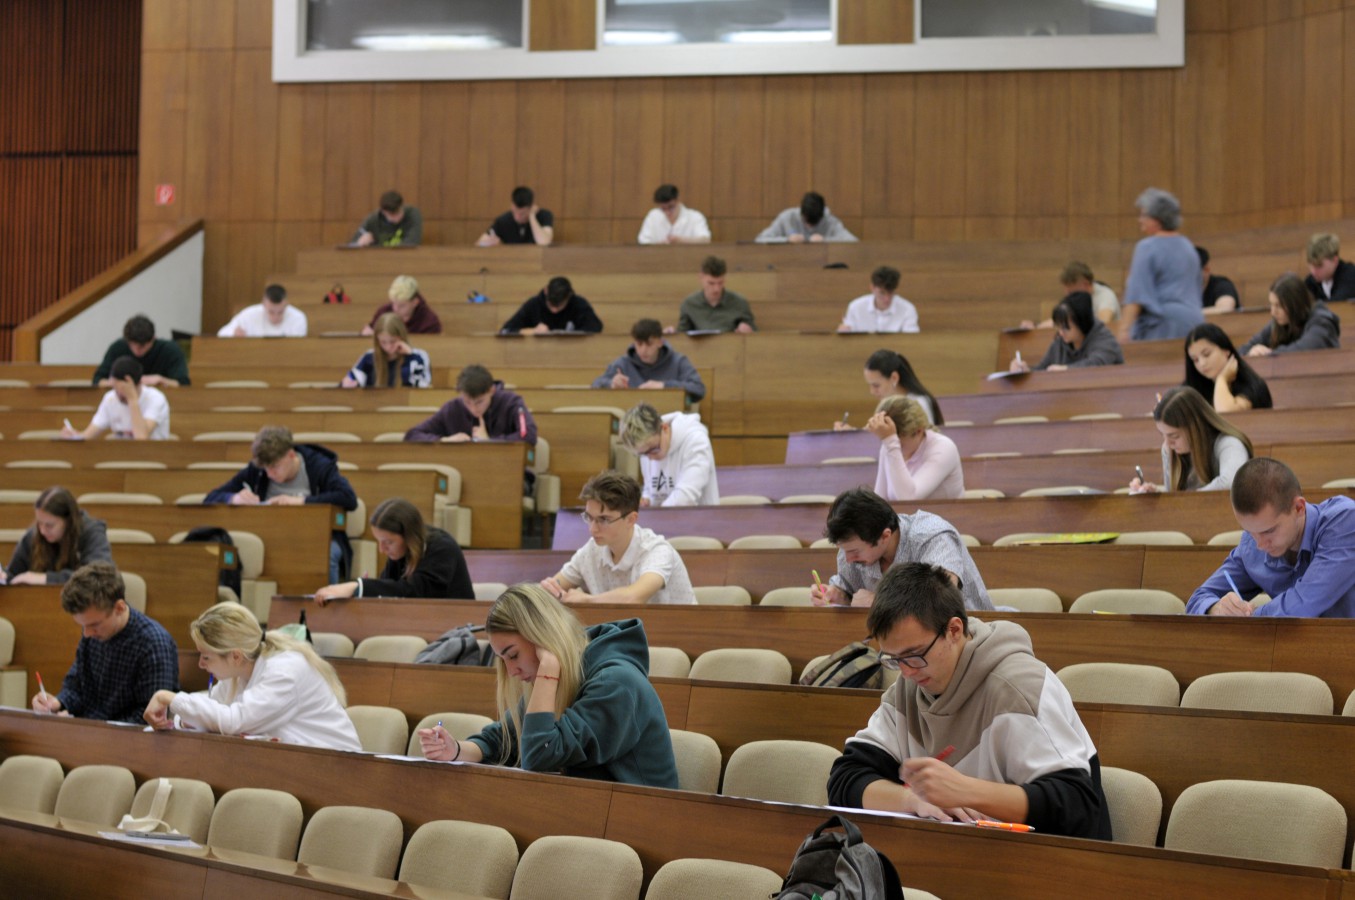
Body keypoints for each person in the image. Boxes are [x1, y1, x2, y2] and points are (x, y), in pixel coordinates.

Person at [827, 562, 1111, 839]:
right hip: (960, 852)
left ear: (953, 630)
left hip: (1049, 859)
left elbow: (1078, 806)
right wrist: (911, 800)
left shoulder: (1018, 688)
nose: (906, 672)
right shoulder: (907, 688)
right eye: (894, 658)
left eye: (914, 655)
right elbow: (845, 778)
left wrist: (965, 791)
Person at [417, 583, 679, 788]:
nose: (512, 671)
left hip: (640, 824)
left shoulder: (616, 684)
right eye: (503, 660)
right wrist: (456, 750)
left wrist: (548, 672)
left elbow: (538, 755)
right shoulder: (566, 674)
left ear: (542, 638)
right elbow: (505, 738)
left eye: (513, 655)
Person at [143, 602, 362, 751]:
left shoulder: (285, 672)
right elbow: (211, 708)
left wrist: (169, 698)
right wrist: (182, 720)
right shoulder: (238, 671)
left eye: (206, 657)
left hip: (339, 768)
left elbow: (234, 721)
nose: (200, 664)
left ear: (235, 656)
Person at [1186, 458, 1355, 618]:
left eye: (1269, 531)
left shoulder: (1345, 521)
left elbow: (1304, 603)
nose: (1260, 545)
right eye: (1250, 531)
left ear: (1299, 508)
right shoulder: (1251, 545)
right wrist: (1217, 608)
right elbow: (1197, 600)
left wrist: (1248, 617)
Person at [204, 426, 358, 583]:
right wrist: (234, 498)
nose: (270, 474)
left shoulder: (319, 465)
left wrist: (302, 501)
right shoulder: (257, 471)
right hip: (270, 538)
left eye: (275, 467)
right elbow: (210, 498)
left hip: (316, 538)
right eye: (266, 468)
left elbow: (348, 498)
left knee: (327, 555)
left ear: (291, 455)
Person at [31, 562, 179, 724]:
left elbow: (150, 718)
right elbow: (76, 686)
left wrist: (93, 728)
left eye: (94, 625)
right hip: (90, 730)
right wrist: (58, 702)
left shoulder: (153, 644)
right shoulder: (94, 633)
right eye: (83, 626)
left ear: (119, 608)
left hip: (123, 736)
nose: (87, 633)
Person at [812, 488, 992, 611]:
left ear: (885, 536)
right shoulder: (851, 548)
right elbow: (852, 597)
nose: (848, 559)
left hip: (969, 635)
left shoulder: (932, 535)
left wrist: (878, 601)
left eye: (854, 552)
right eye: (843, 550)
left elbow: (941, 596)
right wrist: (839, 597)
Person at [541, 470, 696, 605]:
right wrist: (548, 591)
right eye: (589, 517)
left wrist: (588, 600)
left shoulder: (657, 551)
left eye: (604, 519)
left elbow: (633, 598)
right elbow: (555, 586)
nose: (592, 529)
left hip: (679, 629)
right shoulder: (591, 550)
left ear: (631, 519)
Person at [313, 498, 474, 604]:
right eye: (379, 542)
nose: (382, 550)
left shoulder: (442, 547)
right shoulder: (400, 551)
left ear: (408, 536)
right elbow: (389, 589)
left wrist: (357, 587)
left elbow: (415, 592)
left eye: (388, 542)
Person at [1129, 386, 1252, 494]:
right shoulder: (1169, 449)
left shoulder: (1230, 444)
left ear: (1196, 428)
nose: (1167, 444)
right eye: (1162, 435)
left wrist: (1183, 500)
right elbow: (1174, 499)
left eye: (1174, 436)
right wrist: (1155, 496)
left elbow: (1231, 483)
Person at [1120, 188, 1203, 342]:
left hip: (1163, 325)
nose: (1140, 220)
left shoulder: (1147, 247)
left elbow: (1136, 295)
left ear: (1157, 219)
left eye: (1143, 215)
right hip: (1194, 322)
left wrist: (1124, 330)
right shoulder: (1189, 247)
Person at [3, 486, 112, 585]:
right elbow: (13, 576)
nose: (42, 531)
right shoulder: (33, 536)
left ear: (68, 521)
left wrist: (46, 578)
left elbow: (100, 575)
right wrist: (4, 576)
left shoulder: (91, 532)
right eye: (39, 523)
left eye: (49, 525)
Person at [403, 364, 538, 445]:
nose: (473, 409)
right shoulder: (452, 409)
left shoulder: (511, 403)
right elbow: (412, 435)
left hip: (508, 469)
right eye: (467, 402)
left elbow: (528, 436)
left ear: (491, 390)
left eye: (479, 402)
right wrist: (444, 441)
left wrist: (490, 442)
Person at [619, 404, 719, 507]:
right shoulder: (648, 449)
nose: (650, 458)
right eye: (642, 454)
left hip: (700, 516)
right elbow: (650, 489)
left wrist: (655, 514)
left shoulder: (696, 441)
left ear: (665, 428)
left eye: (653, 450)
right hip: (663, 515)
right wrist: (647, 500)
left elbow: (686, 497)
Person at [867, 396, 964, 502]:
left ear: (919, 431)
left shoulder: (944, 448)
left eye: (899, 444)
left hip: (945, 513)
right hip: (905, 513)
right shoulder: (889, 445)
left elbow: (909, 500)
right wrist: (889, 443)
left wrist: (891, 443)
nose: (896, 448)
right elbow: (880, 499)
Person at [591, 318, 707, 404]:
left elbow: (699, 389)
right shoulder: (623, 363)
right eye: (639, 344)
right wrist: (611, 384)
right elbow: (595, 385)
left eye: (649, 344)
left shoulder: (678, 361)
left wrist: (664, 386)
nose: (643, 350)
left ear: (660, 342)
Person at [1009, 292, 1123, 373]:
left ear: (1082, 324)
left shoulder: (1105, 340)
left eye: (1066, 328)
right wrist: (1026, 370)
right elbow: (1043, 369)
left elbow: (1096, 365)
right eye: (1059, 327)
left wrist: (1066, 370)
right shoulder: (1060, 341)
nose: (1060, 332)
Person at [62, 356, 170, 441]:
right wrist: (74, 436)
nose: (118, 395)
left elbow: (141, 438)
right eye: (115, 389)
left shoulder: (156, 399)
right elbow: (88, 435)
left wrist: (132, 399)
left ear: (138, 384)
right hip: (121, 455)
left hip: (152, 455)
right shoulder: (110, 398)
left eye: (122, 390)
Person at [1239, 273, 1341, 357]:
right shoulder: (1279, 322)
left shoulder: (1322, 321)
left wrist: (1268, 354)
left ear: (1295, 305)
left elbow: (1304, 349)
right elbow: (1243, 350)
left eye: (1278, 306)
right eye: (1271, 305)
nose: (1273, 312)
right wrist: (1251, 352)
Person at [835, 349, 943, 428]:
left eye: (876, 385)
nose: (872, 391)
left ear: (894, 378)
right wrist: (851, 432)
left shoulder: (919, 403)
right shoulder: (887, 404)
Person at [1182, 323, 1272, 413]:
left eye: (1207, 354)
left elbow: (1226, 414)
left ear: (1226, 351)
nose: (1202, 363)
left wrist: (1222, 379)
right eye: (1195, 360)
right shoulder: (1190, 389)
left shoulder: (1251, 386)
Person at [92, 314, 190, 387]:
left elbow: (183, 383)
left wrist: (161, 380)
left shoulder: (170, 350)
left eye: (142, 346)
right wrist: (116, 383)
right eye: (132, 345)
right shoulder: (118, 347)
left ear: (153, 339)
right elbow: (97, 380)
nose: (137, 350)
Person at [341, 313, 431, 389]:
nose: (388, 347)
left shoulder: (418, 356)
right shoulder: (369, 358)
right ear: (377, 340)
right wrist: (348, 383)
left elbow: (422, 387)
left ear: (402, 337)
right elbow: (351, 379)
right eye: (383, 342)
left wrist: (410, 357)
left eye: (393, 341)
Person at [674, 256, 756, 334]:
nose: (716, 289)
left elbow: (755, 335)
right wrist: (673, 334)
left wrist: (747, 330)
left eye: (720, 283)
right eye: (711, 283)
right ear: (701, 277)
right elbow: (682, 335)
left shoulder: (739, 303)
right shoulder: (689, 304)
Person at [500, 276, 604, 334]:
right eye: (551, 304)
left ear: (569, 296)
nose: (554, 310)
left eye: (559, 306)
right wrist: (532, 331)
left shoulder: (579, 304)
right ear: (546, 291)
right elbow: (506, 331)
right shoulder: (533, 304)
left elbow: (595, 328)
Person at [837, 266, 920, 334]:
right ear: (872, 288)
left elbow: (911, 339)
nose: (887, 299)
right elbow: (849, 337)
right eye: (882, 293)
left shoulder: (907, 309)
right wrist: (844, 332)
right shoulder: (855, 307)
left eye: (890, 293)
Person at [755, 191, 857, 243]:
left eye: (814, 223)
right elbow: (760, 239)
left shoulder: (830, 221)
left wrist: (825, 240)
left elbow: (853, 241)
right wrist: (787, 240)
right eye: (807, 222)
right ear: (802, 214)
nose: (810, 228)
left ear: (822, 216)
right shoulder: (787, 217)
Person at [361, 275, 442, 335]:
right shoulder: (383, 313)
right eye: (393, 303)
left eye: (402, 305)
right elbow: (369, 332)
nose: (395, 309)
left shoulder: (429, 321)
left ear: (415, 302)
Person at [217, 284, 308, 337]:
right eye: (271, 312)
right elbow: (222, 333)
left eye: (280, 312)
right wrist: (234, 333)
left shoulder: (298, 318)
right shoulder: (249, 314)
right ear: (263, 304)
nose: (275, 317)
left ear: (286, 304)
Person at [477, 185, 554, 247]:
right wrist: (490, 242)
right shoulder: (503, 220)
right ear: (512, 205)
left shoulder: (544, 216)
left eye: (522, 214)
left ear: (531, 207)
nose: (517, 217)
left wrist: (532, 216)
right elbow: (479, 244)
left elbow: (544, 243)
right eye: (515, 212)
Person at [637, 184, 711, 245]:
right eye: (663, 209)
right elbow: (643, 242)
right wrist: (660, 245)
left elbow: (705, 240)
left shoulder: (695, 217)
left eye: (671, 207)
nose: (667, 212)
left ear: (678, 200)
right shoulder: (653, 216)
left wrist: (681, 240)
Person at [350, 190, 422, 247]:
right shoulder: (373, 219)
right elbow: (350, 245)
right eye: (391, 215)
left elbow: (412, 242)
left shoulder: (412, 214)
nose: (396, 218)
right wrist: (359, 243)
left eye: (398, 213)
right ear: (383, 212)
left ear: (402, 206)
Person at [1303, 233, 1355, 304]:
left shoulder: (1351, 276)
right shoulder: (1310, 282)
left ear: (1335, 260)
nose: (1313, 271)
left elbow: (1337, 305)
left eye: (1319, 266)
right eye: (1311, 265)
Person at [1196, 246, 1239, 313]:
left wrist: (1189, 314)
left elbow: (1225, 309)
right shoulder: (1182, 289)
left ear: (1206, 270)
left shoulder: (1222, 285)